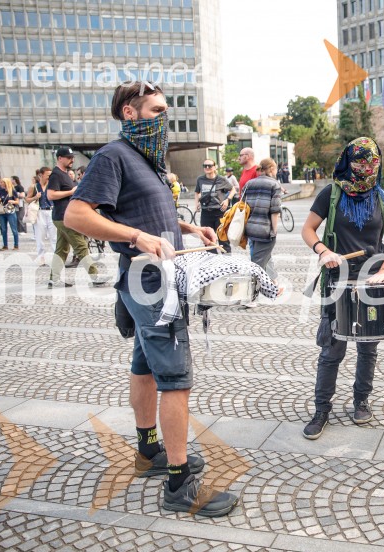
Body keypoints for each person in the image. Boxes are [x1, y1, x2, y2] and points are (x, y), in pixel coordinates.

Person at [64, 81, 238, 517]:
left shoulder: (149, 162)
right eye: (157, 110)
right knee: (176, 379)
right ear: (129, 112)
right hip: (150, 285)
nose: (164, 118)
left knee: (143, 366)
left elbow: (151, 216)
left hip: (152, 281)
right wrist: (137, 237)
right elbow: (77, 214)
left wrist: (189, 229)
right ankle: (180, 485)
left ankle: (149, 452)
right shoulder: (114, 156)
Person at [300, 137, 384, 440]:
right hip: (336, 282)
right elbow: (308, 229)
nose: (366, 168)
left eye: (372, 162)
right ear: (348, 161)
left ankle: (361, 400)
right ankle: (321, 410)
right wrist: (322, 251)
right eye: (359, 162)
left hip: (372, 282)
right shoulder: (331, 194)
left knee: (368, 347)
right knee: (332, 348)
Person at [47, 146, 102, 287]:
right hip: (63, 217)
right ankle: (95, 276)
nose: (72, 160)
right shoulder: (56, 174)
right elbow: (50, 195)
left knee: (62, 249)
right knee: (81, 245)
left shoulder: (64, 174)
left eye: (72, 157)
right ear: (60, 158)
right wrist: (71, 192)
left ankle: (53, 279)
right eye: (69, 157)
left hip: (63, 216)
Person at [241, 158, 282, 279]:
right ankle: (251, 289)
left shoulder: (249, 183)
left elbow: (242, 206)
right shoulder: (274, 185)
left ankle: (273, 283)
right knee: (257, 263)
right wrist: (274, 231)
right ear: (271, 169)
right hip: (265, 230)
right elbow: (275, 211)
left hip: (250, 229)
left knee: (265, 257)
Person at [194, 159, 235, 253]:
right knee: (208, 239)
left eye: (209, 165)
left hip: (219, 212)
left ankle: (227, 261)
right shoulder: (200, 179)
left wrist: (227, 200)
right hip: (205, 213)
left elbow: (233, 190)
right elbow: (197, 192)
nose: (207, 167)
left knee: (223, 238)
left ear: (214, 167)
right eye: (205, 166)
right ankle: (212, 260)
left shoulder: (221, 179)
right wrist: (196, 203)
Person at [25, 167, 58, 264]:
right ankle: (41, 258)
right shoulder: (34, 187)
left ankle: (56, 258)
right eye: (48, 175)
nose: (50, 177)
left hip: (51, 211)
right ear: (41, 175)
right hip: (39, 212)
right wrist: (36, 197)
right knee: (40, 236)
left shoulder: (53, 185)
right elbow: (27, 199)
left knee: (54, 236)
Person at [0, 177, 20, 250]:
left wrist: (12, 201)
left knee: (14, 228)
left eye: (2, 182)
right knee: (3, 229)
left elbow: (17, 201)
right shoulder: (0, 190)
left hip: (10, 211)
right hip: (2, 211)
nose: (1, 183)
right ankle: (5, 245)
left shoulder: (12, 191)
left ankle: (16, 245)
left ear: (6, 183)